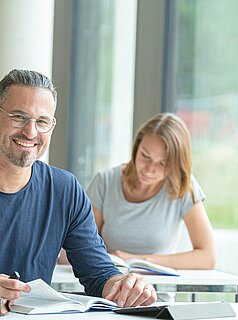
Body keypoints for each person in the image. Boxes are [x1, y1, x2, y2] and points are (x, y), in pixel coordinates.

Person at [0, 69, 156, 316]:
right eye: (18, 117)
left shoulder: (65, 190)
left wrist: (124, 285)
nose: (30, 132)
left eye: (42, 121)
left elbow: (98, 274)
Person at [86, 113, 216, 279]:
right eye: (145, 156)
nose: (149, 169)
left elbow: (207, 257)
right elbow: (82, 246)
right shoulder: (105, 181)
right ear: (136, 148)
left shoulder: (183, 187)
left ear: (176, 165)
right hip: (110, 290)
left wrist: (139, 261)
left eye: (162, 163)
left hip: (158, 295)